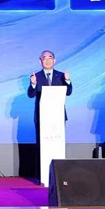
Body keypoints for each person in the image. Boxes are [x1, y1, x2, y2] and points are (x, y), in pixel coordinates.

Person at [25, 50, 73, 179]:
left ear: (54, 60)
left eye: (50, 57)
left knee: (57, 144)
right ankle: (42, 176)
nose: (47, 60)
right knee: (42, 146)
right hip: (42, 117)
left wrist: (68, 80)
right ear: (40, 61)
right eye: (44, 58)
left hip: (58, 117)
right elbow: (31, 94)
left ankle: (59, 175)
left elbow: (68, 92)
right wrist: (33, 84)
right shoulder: (36, 76)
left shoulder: (61, 75)